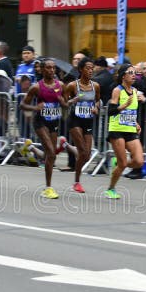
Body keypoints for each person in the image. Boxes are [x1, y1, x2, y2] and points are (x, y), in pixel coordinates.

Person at [20, 59, 65, 199]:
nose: (51, 70)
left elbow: (65, 103)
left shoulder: (61, 85)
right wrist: (35, 108)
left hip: (54, 122)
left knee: (49, 156)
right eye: (48, 68)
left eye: (53, 68)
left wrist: (66, 103)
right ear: (43, 70)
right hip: (40, 122)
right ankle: (48, 188)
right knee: (51, 153)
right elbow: (23, 105)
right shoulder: (36, 87)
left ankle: (31, 148)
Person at [105, 64, 145, 199]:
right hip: (117, 130)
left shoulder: (135, 91)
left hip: (130, 129)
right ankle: (111, 188)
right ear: (123, 76)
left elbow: (131, 111)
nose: (134, 75)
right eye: (130, 73)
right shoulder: (117, 90)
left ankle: (119, 164)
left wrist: (136, 122)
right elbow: (110, 112)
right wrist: (123, 106)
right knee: (123, 164)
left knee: (139, 161)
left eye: (135, 73)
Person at [63, 57, 101, 193]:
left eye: (92, 68)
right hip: (75, 120)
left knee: (86, 156)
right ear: (80, 69)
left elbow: (98, 101)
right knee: (83, 151)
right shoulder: (72, 85)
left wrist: (97, 107)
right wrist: (73, 100)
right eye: (88, 68)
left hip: (88, 121)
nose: (91, 71)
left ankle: (66, 145)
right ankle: (77, 182)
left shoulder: (95, 86)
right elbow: (64, 103)